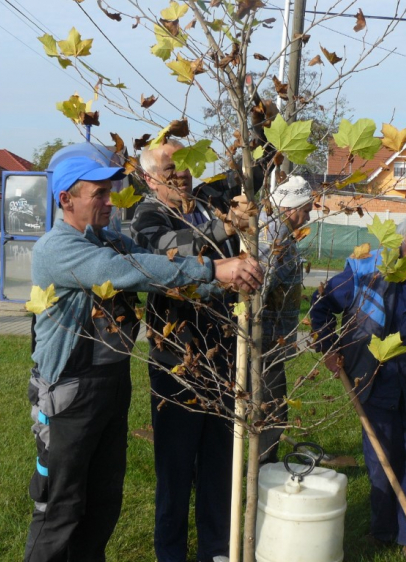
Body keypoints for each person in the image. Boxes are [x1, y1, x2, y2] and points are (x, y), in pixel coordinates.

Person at [23, 155, 263, 562]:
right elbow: (133, 270)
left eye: (109, 193)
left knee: (102, 504)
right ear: (66, 199)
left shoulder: (108, 238)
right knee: (60, 508)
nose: (110, 202)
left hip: (109, 388)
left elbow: (165, 275)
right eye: (99, 194)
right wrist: (213, 268)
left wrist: (226, 283)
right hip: (67, 395)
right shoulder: (59, 248)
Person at [131, 139, 262, 562]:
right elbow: (171, 250)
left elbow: (252, 171)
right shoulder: (146, 216)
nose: (182, 171)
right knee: (175, 470)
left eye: (186, 162)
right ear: (150, 177)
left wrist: (261, 127)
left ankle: (216, 551)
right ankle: (170, 555)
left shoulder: (208, 198)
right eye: (170, 166)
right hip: (177, 363)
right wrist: (227, 227)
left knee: (220, 467)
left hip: (225, 358)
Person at [310, 209, 406, 560]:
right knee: (381, 461)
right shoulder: (366, 269)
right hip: (374, 381)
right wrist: (328, 348)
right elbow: (321, 306)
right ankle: (383, 529)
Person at [256, 175, 313, 463]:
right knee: (273, 408)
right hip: (265, 341)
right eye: (307, 208)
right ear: (291, 208)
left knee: (271, 407)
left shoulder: (276, 229)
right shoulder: (276, 233)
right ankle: (264, 467)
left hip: (271, 339)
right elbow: (259, 286)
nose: (310, 215)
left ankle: (261, 463)